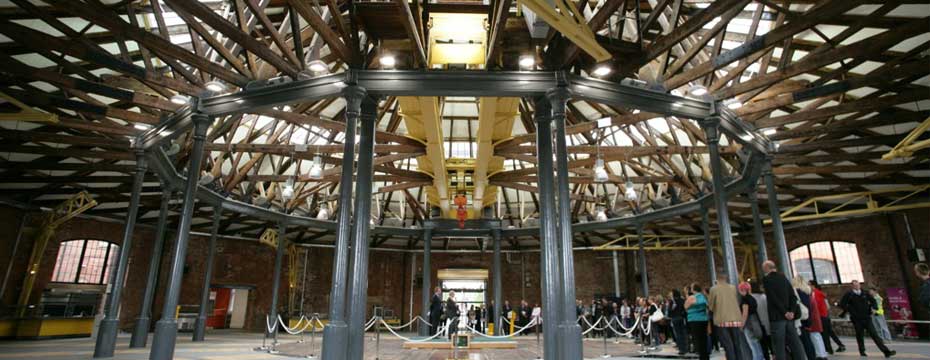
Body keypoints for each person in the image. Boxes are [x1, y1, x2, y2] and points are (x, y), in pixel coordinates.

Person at [761, 260, 808, 360]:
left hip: (777, 318)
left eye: (763, 268)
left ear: (766, 268)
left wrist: (784, 312)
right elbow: (793, 296)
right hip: (790, 318)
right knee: (795, 343)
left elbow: (773, 298)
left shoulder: (766, 279)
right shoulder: (783, 278)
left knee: (779, 346)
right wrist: (791, 311)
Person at [839, 280, 896, 357]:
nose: (857, 286)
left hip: (867, 318)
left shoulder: (865, 293)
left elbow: (873, 301)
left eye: (858, 285)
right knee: (860, 335)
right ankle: (862, 351)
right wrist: (850, 310)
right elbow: (842, 304)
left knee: (874, 335)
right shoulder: (849, 294)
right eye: (855, 285)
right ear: (852, 286)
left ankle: (886, 352)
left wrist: (874, 308)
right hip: (857, 319)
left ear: (860, 285)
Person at [708, 274, 751, 360]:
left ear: (717, 280)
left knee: (728, 346)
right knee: (737, 345)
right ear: (726, 279)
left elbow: (711, 306)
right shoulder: (733, 288)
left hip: (722, 320)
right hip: (735, 319)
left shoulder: (713, 289)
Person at [793, 275, 828, 360]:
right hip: (811, 318)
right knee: (813, 338)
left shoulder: (798, 292)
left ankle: (817, 355)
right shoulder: (808, 292)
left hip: (805, 318)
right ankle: (820, 354)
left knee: (809, 340)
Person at [810, 280, 845, 354]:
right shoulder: (817, 293)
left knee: (825, 333)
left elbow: (818, 305)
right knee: (829, 332)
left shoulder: (816, 293)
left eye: (809, 285)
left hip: (822, 316)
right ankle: (839, 345)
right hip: (824, 315)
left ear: (813, 286)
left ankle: (829, 349)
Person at [738, 282, 765, 360]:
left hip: (749, 323)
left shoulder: (744, 300)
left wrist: (742, 325)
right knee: (757, 343)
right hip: (755, 321)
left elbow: (745, 313)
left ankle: (757, 358)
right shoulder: (752, 298)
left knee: (752, 344)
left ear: (743, 290)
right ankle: (760, 357)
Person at [685, 283, 710, 360]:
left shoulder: (692, 297)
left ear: (693, 289)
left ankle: (702, 357)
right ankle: (705, 356)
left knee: (698, 340)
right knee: (704, 339)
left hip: (695, 320)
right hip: (704, 320)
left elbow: (685, 307)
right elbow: (707, 307)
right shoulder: (703, 296)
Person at [668, 289, 689, 355]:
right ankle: (686, 348)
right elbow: (685, 309)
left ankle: (681, 349)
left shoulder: (672, 301)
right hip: (682, 318)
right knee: (683, 333)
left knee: (678, 334)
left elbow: (669, 312)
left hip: (675, 318)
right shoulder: (682, 300)